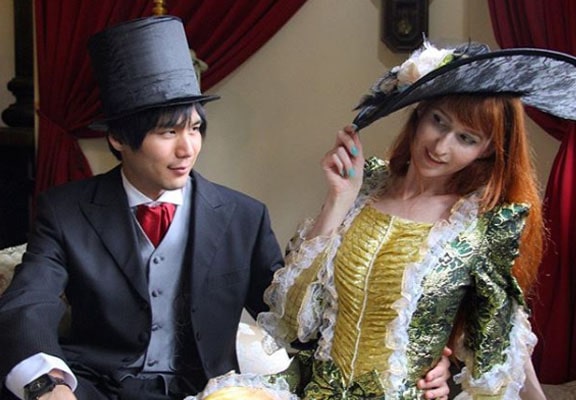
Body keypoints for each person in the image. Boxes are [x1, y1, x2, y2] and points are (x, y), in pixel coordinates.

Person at [0, 16, 451, 400]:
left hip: (205, 391)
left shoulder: (242, 217)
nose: (187, 148)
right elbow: (28, 303)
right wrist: (47, 384)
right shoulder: (66, 211)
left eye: (195, 128)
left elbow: (291, 319)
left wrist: (420, 358)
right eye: (167, 133)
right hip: (93, 388)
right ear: (118, 138)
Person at [197, 42, 576, 399]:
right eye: (439, 121)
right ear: (419, 114)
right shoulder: (363, 189)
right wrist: (338, 200)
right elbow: (291, 320)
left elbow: (499, 352)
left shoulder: (480, 226)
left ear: (489, 150)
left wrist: (464, 375)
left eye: (467, 138)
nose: (441, 146)